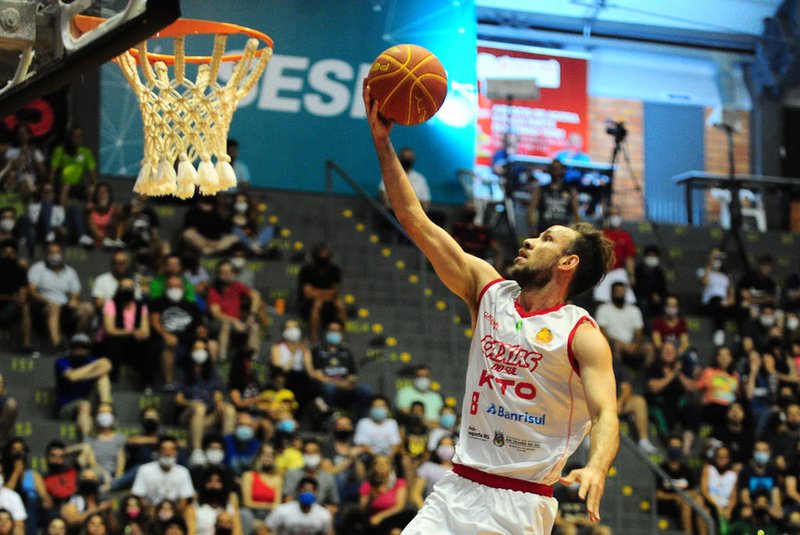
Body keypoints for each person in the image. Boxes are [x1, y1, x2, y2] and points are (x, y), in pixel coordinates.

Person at [365, 85, 619, 532]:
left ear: (568, 263)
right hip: (456, 490)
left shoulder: (581, 334)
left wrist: (597, 466)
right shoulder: (488, 289)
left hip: (520, 507)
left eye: (546, 240)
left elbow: (606, 413)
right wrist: (383, 144)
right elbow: (415, 221)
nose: (529, 240)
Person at [175, 338, 236, 461]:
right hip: (188, 414)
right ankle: (196, 452)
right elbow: (178, 399)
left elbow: (217, 393)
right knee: (200, 407)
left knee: (229, 409)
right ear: (191, 352)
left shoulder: (212, 372)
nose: (200, 352)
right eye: (197, 349)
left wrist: (219, 404)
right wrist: (192, 403)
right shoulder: (182, 372)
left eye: (203, 349)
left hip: (207, 416)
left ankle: (224, 450)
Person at [28, 242, 93, 349]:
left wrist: (73, 300)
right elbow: (32, 290)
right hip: (43, 306)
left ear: (62, 254)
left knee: (87, 308)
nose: (55, 255)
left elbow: (76, 292)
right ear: (46, 254)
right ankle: (57, 344)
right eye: (51, 252)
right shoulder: (38, 268)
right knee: (54, 308)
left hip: (64, 306)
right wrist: (48, 302)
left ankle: (78, 341)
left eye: (57, 252)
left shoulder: (70, 271)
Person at [149, 274, 205, 391]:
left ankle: (201, 383)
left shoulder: (191, 305)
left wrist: (201, 333)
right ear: (165, 288)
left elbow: (199, 326)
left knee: (208, 346)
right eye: (171, 286)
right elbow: (154, 322)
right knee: (170, 343)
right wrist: (165, 334)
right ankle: (169, 383)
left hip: (187, 337)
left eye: (178, 286)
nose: (175, 289)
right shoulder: (158, 302)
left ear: (183, 289)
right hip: (165, 337)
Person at [54, 334, 113, 439]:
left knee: (103, 376)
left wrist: (86, 375)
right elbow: (72, 376)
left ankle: (105, 406)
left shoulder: (90, 359)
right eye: (77, 347)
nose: (80, 350)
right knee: (84, 405)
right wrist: (94, 366)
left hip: (89, 400)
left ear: (88, 349)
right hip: (67, 406)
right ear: (71, 348)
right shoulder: (62, 361)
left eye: (83, 348)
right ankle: (89, 442)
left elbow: (107, 365)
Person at [309, 320, 372, 417]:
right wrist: (339, 384)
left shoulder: (346, 351)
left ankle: (358, 421)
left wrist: (347, 382)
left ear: (341, 334)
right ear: (325, 332)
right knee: (329, 388)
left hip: (345, 387)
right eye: (331, 330)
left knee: (366, 390)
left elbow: (353, 374)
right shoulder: (318, 351)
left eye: (337, 331)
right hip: (327, 387)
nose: (334, 333)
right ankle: (327, 418)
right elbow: (318, 375)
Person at [101, 277, 155, 389]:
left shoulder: (141, 306)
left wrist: (140, 334)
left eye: (130, 287)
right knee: (113, 343)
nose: (127, 290)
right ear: (119, 289)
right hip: (116, 340)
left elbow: (146, 331)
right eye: (125, 287)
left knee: (148, 345)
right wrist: (132, 332)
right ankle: (112, 381)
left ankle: (147, 384)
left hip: (134, 343)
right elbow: (110, 330)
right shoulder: (111, 303)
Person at [208, 260, 261, 360]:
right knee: (226, 325)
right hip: (219, 322)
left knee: (254, 326)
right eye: (222, 272)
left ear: (233, 273)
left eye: (228, 272)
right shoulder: (214, 289)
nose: (225, 275)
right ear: (218, 274)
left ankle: (254, 358)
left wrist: (252, 315)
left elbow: (256, 295)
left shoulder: (237, 286)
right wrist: (233, 320)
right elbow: (216, 313)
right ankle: (222, 357)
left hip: (238, 322)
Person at [298, 243, 346, 342]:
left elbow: (335, 291)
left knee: (340, 305)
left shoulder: (335, 270)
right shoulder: (306, 269)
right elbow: (307, 292)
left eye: (326, 254)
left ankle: (342, 339)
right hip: (308, 303)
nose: (323, 257)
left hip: (328, 301)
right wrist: (324, 293)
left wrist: (318, 292)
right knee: (317, 304)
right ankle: (314, 338)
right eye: (321, 254)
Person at [131, 436, 195, 509]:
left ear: (176, 452)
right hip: (151, 509)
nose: (167, 453)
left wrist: (171, 513)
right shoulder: (144, 469)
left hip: (173, 510)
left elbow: (184, 498)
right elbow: (139, 495)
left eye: (171, 449)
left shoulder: (183, 472)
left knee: (190, 509)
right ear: (158, 452)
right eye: (164, 449)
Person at [1, 438, 50, 534]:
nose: (18, 453)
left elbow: (45, 497)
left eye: (21, 450)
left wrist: (45, 500)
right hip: (8, 507)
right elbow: (5, 494)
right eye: (14, 450)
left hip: (31, 506)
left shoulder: (33, 474)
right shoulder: (3, 473)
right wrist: (16, 471)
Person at [595, 282, 649, 367]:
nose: (620, 294)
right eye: (617, 291)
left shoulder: (634, 310)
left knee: (649, 348)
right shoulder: (603, 309)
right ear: (611, 293)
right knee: (617, 346)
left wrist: (635, 344)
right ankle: (619, 376)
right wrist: (621, 344)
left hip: (632, 343)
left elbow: (639, 332)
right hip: (613, 343)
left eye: (622, 291)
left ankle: (645, 376)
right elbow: (602, 332)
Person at [357, 454, 415, 534]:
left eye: (385, 463)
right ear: (373, 467)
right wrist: (371, 500)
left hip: (394, 519)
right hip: (373, 522)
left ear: (391, 467)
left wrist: (381, 516)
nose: (381, 466)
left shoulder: (399, 483)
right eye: (378, 463)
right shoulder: (367, 485)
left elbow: (399, 506)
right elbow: (362, 510)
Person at [283, 439, 340, 514]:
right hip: (295, 514)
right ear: (303, 454)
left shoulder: (328, 477)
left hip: (318, 517)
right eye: (307, 452)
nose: (311, 455)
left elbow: (334, 505)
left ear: (320, 455)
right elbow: (287, 501)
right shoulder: (292, 473)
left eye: (314, 452)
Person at [592, 207, 636, 304]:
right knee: (601, 300)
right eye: (612, 215)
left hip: (619, 271)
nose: (614, 217)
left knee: (629, 300)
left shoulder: (625, 236)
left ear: (620, 217)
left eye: (616, 215)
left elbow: (629, 258)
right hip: (604, 272)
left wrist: (631, 275)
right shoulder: (602, 234)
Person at [656, 435, 697, 534]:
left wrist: (685, 496)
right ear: (667, 448)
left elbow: (692, 491)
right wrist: (675, 497)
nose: (675, 449)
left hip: (684, 501)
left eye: (678, 447)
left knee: (700, 503)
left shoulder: (686, 470)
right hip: (667, 504)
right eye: (672, 446)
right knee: (686, 503)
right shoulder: (660, 469)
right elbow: (658, 494)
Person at [697, 248, 737, 346]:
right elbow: (704, 282)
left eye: (718, 256)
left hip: (724, 303)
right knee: (717, 301)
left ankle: (738, 335)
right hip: (709, 303)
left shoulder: (726, 276)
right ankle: (719, 332)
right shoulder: (702, 271)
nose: (716, 258)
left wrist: (728, 301)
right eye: (714, 256)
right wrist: (710, 264)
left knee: (741, 306)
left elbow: (732, 294)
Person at [266, 477, 333, 535]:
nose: (307, 493)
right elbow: (264, 530)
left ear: (315, 493)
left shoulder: (324, 515)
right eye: (304, 490)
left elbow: (328, 533)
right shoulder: (282, 510)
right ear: (298, 491)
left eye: (310, 491)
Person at [695, 346, 739, 434]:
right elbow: (697, 387)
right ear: (717, 358)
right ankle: (703, 438)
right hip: (712, 406)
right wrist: (697, 376)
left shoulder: (735, 376)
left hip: (728, 408)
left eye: (727, 355)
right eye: (721, 355)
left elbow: (736, 394)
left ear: (731, 358)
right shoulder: (709, 371)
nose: (724, 358)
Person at [529, 160, 579, 235]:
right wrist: (532, 230)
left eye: (558, 168)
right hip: (544, 231)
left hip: (563, 232)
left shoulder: (570, 190)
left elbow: (576, 212)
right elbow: (531, 210)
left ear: (563, 170)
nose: (556, 171)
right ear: (549, 170)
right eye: (554, 168)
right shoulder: (541, 189)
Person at [450, 201, 504, 271]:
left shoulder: (483, 231)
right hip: (463, 264)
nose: (471, 210)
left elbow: (499, 250)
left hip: (480, 265)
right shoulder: (458, 228)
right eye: (469, 209)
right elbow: (452, 247)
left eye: (472, 208)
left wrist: (498, 267)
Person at [240, 444, 282, 533]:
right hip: (252, 514)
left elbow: (277, 504)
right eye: (264, 454)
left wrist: (269, 508)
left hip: (269, 515)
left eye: (271, 455)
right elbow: (247, 502)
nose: (267, 457)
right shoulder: (249, 475)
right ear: (258, 456)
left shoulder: (278, 479)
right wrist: (267, 505)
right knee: (244, 513)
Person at [50, 127, 96, 207]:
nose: (76, 139)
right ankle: (62, 213)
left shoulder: (86, 152)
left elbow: (92, 174)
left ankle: (89, 214)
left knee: (92, 189)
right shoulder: (60, 150)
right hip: (62, 184)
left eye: (78, 137)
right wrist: (50, 185)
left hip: (79, 185)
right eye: (74, 136)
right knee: (66, 186)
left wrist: (93, 185)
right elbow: (52, 171)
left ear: (81, 139)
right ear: (69, 137)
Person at [0, 240, 30, 353]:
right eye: (6, 251)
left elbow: (23, 288)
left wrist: (20, 297)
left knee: (25, 306)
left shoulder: (19, 269)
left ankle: (26, 345)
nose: (9, 254)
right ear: (2, 252)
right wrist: (11, 298)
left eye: (12, 251)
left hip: (11, 306)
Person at [410, 435, 455, 509]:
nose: (446, 448)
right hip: (430, 510)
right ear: (437, 448)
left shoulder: (460, 471)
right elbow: (415, 493)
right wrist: (424, 511)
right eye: (443, 445)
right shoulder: (427, 467)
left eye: (449, 445)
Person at [700, 445, 737, 532]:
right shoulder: (708, 469)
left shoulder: (733, 474)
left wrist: (729, 509)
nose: (722, 460)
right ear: (715, 458)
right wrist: (717, 507)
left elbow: (734, 496)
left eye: (725, 457)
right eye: (720, 457)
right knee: (703, 509)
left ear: (729, 458)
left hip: (725, 506)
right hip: (711, 504)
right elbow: (704, 491)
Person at [634, 244, 668, 320]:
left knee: (665, 303)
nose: (651, 258)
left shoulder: (659, 272)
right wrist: (651, 295)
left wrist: (660, 296)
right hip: (642, 296)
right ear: (645, 257)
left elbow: (663, 288)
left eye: (654, 256)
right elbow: (637, 287)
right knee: (643, 303)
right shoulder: (638, 270)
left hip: (656, 297)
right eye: (649, 256)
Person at [85, 182, 123, 248]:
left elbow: (120, 218)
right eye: (100, 191)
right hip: (95, 235)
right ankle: (104, 240)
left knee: (120, 218)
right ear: (96, 194)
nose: (103, 194)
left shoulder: (113, 207)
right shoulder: (91, 206)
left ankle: (117, 240)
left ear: (109, 194)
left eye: (105, 191)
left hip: (109, 235)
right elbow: (87, 216)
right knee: (89, 220)